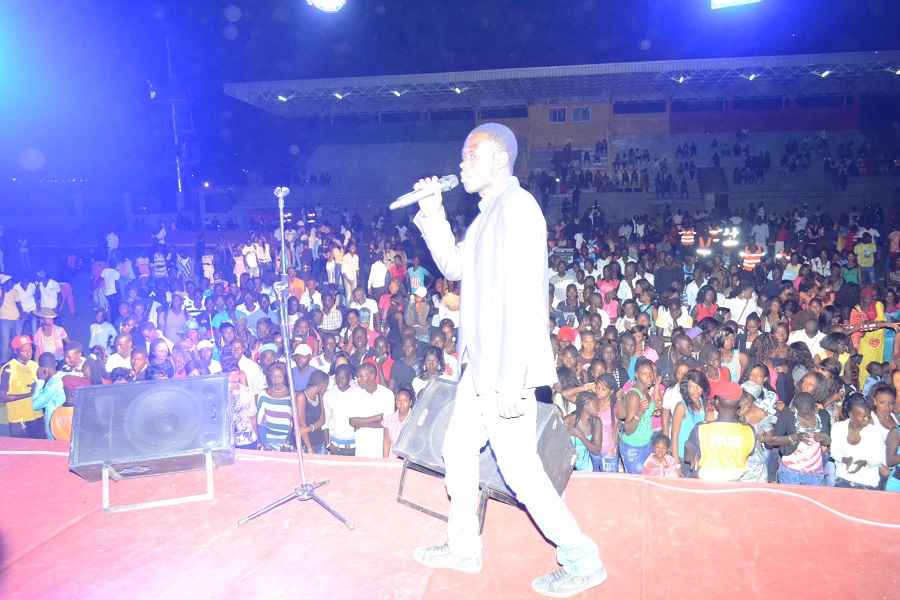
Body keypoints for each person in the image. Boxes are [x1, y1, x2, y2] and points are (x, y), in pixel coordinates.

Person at [410, 123, 604, 596]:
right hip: (480, 367)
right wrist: (433, 213)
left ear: (499, 159)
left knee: (519, 469)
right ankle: (463, 545)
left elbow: (522, 300)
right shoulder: (486, 214)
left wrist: (511, 378)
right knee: (458, 450)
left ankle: (582, 559)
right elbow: (455, 267)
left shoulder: (519, 209)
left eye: (469, 155)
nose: (461, 165)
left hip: (502, 369)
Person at [683, 381, 756, 481]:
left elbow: (688, 457)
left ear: (717, 402)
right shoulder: (749, 431)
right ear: (739, 404)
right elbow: (749, 453)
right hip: (734, 485)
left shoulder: (701, 429)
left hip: (706, 484)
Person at [829, 394, 884, 489]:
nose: (867, 419)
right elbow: (834, 452)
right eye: (863, 417)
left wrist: (865, 463)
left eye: (869, 415)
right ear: (851, 415)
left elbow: (878, 459)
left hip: (867, 483)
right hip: (843, 480)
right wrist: (843, 460)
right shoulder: (838, 428)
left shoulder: (874, 432)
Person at [348, 362, 395, 458]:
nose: (358, 380)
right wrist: (377, 417)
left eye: (361, 377)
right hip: (362, 446)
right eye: (357, 377)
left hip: (380, 447)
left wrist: (361, 424)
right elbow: (352, 421)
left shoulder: (387, 394)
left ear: (372, 376)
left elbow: (387, 423)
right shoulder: (354, 394)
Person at [0, 335, 42, 438]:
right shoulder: (7, 369)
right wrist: (28, 395)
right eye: (25, 351)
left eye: (30, 349)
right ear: (16, 352)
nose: (29, 353)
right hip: (19, 420)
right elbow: (2, 397)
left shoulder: (34, 365)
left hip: (38, 416)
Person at [382, 383, 415, 459]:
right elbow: (387, 442)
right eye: (399, 401)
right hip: (394, 460)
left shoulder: (415, 419)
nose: (402, 404)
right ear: (395, 402)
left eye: (405, 401)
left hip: (410, 462)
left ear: (410, 402)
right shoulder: (389, 420)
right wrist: (385, 460)